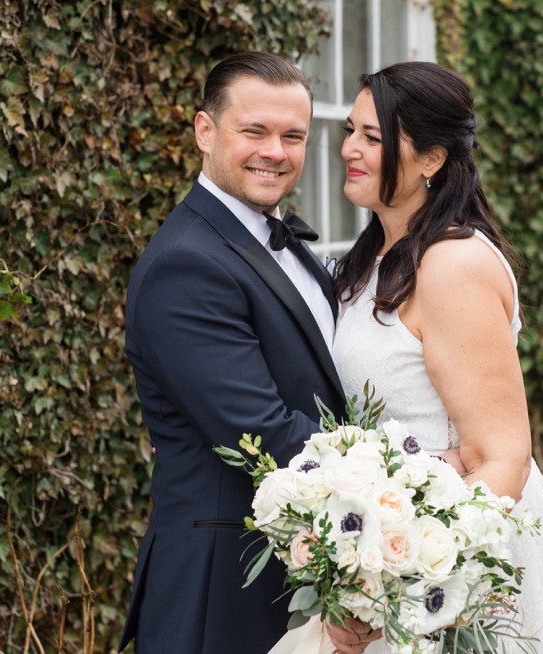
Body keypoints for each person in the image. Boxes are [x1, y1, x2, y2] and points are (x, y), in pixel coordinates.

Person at [120, 52, 378, 654]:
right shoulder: (188, 264)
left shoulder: (274, 237)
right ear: (205, 132)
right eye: (254, 131)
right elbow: (259, 432)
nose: (276, 152)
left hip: (295, 561)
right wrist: (403, 474)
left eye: (293, 136)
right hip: (224, 581)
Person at [329, 62, 543, 653]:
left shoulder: (452, 266)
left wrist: (409, 587)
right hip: (391, 541)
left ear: (431, 159)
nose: (349, 148)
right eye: (351, 130)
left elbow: (502, 459)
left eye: (373, 137)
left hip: (452, 561)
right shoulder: (376, 254)